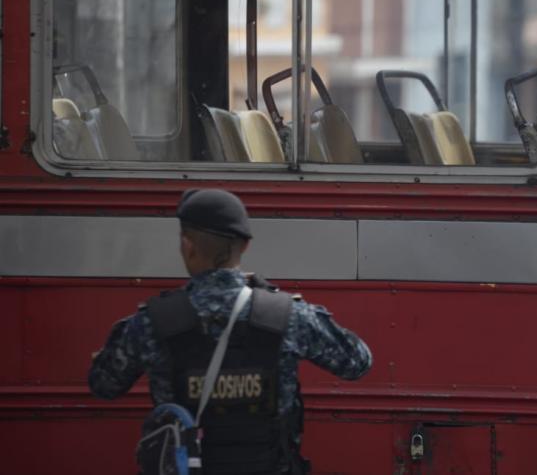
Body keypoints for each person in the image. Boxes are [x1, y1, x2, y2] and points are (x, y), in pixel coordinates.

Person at [88, 188, 372, 475]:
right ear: (245, 246)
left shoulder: (152, 322)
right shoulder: (288, 316)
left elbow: (104, 385)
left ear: (188, 246)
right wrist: (272, 295)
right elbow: (357, 362)